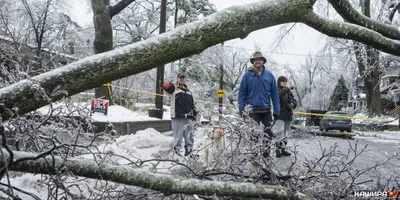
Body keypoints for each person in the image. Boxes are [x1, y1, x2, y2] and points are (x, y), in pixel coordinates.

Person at [238, 51, 280, 158]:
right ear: (253, 62)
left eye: (260, 59)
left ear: (263, 61)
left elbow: (275, 95)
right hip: (252, 111)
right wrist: (242, 110)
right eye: (256, 60)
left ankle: (266, 155)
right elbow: (242, 93)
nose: (258, 61)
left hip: (266, 110)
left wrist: (276, 111)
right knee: (254, 135)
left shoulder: (269, 75)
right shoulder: (247, 76)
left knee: (268, 134)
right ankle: (254, 156)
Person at [163, 72, 198, 156]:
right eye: (180, 77)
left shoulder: (188, 91)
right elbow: (166, 87)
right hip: (177, 116)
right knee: (178, 135)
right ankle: (176, 152)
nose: (182, 79)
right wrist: (167, 84)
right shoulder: (174, 88)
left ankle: (189, 151)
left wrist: (194, 112)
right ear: (177, 79)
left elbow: (192, 104)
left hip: (188, 116)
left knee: (189, 135)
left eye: (183, 78)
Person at [275, 76, 297, 157]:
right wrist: (287, 89)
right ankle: (278, 150)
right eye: (282, 82)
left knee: (286, 133)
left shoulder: (289, 92)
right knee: (279, 133)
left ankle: (283, 149)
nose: (284, 83)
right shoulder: (277, 89)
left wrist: (293, 104)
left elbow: (294, 100)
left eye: (285, 82)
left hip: (288, 114)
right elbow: (277, 96)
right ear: (279, 82)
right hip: (280, 114)